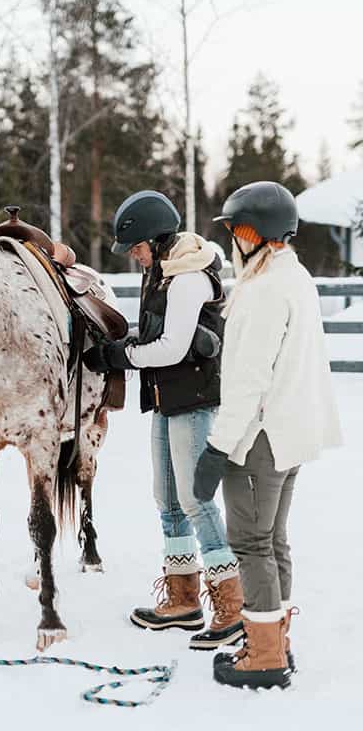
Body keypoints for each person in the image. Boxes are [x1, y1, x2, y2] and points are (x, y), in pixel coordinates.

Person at [194, 181, 342, 689]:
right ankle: (272, 639)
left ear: (251, 232)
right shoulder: (295, 277)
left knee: (251, 542)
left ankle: (263, 657)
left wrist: (216, 448)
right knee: (273, 541)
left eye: (235, 230)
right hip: (290, 435)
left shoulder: (261, 292)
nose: (233, 240)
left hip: (260, 439)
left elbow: (248, 381)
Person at [84, 190, 244, 651]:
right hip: (166, 397)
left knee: (196, 501)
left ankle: (230, 605)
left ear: (156, 239)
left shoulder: (188, 278)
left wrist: (120, 354)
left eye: (135, 247)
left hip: (192, 398)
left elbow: (172, 347)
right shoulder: (161, 273)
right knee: (168, 500)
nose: (133, 257)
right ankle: (183, 598)